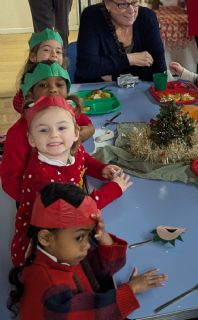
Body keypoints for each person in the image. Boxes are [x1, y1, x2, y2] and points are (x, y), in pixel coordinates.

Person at [7, 183, 167, 319]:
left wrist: (103, 237)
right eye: (80, 237)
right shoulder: (50, 288)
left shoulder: (62, 252)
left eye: (88, 235)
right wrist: (131, 289)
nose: (87, 245)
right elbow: (93, 315)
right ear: (46, 238)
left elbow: (106, 269)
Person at [10, 95, 132, 266]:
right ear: (31, 139)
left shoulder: (73, 149)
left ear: (76, 133)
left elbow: (85, 161)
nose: (54, 135)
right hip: (45, 243)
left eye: (61, 127)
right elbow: (79, 209)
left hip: (65, 223)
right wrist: (114, 189)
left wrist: (101, 169)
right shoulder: (42, 176)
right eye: (43, 130)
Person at [0, 61, 95, 203]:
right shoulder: (17, 133)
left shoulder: (68, 113)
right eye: (43, 85)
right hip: (39, 203)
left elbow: (88, 124)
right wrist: (39, 203)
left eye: (59, 84)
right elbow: (10, 181)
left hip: (71, 192)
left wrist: (84, 133)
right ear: (30, 92)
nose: (53, 90)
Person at [76, 0, 166, 82]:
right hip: (95, 89)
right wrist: (129, 59)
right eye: (123, 4)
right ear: (107, 4)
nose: (131, 10)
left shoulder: (147, 17)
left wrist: (115, 77)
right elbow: (86, 68)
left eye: (135, 2)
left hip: (137, 89)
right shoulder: (92, 16)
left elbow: (160, 71)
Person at [13, 28, 66, 114]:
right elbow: (17, 105)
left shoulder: (63, 75)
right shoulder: (30, 77)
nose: (54, 54)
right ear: (33, 56)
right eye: (46, 50)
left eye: (58, 52)